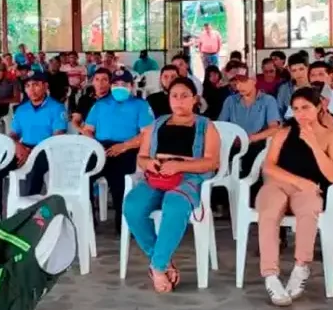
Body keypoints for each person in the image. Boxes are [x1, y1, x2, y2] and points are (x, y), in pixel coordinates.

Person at [123, 77, 221, 293]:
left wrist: (178, 166)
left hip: (189, 177)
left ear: (194, 99)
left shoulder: (206, 126)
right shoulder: (157, 124)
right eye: (174, 96)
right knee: (132, 205)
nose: (179, 100)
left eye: (185, 96)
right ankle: (162, 260)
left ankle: (157, 267)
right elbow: (142, 157)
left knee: (174, 204)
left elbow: (212, 161)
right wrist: (151, 163)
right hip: (157, 176)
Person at [256, 87, 333, 306]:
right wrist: (298, 181)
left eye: (306, 107)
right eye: (296, 109)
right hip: (277, 184)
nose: (301, 113)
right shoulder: (284, 132)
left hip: (308, 191)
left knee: (309, 210)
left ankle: (301, 267)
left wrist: (313, 143)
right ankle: (270, 275)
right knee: (268, 211)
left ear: (319, 107)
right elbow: (268, 167)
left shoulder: (332, 137)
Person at [82, 69, 154, 233]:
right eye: (116, 84)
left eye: (124, 84)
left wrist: (124, 146)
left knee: (119, 182)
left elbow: (147, 134)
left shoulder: (140, 105)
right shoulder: (99, 105)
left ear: (131, 86)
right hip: (101, 149)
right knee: (83, 177)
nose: (119, 87)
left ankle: (122, 225)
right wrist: (96, 146)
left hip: (127, 148)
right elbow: (87, 130)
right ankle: (87, 221)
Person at [0, 71, 67, 220]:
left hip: (48, 150)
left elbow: (58, 136)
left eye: (36, 85)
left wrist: (34, 151)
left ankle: (30, 214)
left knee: (35, 171)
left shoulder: (57, 108)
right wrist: (17, 146)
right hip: (24, 147)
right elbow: (13, 134)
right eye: (28, 86)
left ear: (45, 86)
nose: (32, 89)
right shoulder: (22, 109)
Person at [219, 66, 282, 207]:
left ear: (253, 81)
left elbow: (275, 128)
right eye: (236, 82)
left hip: (257, 144)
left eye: (243, 81)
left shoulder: (267, 100)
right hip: (234, 144)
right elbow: (221, 125)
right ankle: (225, 203)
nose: (239, 86)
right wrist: (231, 138)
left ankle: (252, 203)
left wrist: (253, 138)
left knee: (253, 159)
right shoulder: (230, 101)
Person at [286, 61, 333, 131]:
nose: (317, 78)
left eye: (321, 74)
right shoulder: (299, 97)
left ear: (330, 76)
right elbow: (290, 122)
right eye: (313, 75)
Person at [69, 68, 111, 134]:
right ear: (93, 82)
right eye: (97, 79)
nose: (100, 83)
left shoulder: (114, 100)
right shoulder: (85, 99)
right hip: (86, 134)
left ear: (110, 83)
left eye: (104, 80)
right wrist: (82, 131)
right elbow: (75, 120)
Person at [0, 64, 21, 133]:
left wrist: (0, 101)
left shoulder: (12, 82)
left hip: (5, 106)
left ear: (5, 72)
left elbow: (17, 99)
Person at [276, 53, 309, 117]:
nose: (298, 73)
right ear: (290, 71)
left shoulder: (316, 87)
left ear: (307, 68)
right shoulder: (284, 89)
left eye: (301, 69)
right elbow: (278, 111)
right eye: (294, 70)